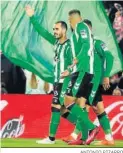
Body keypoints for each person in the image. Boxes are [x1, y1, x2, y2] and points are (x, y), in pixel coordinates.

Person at [62, 19, 115, 146]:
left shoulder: (97, 43)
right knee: (97, 109)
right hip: (88, 79)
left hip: (93, 80)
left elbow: (110, 57)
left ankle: (80, 136)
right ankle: (107, 138)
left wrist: (106, 75)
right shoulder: (81, 48)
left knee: (81, 105)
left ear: (89, 30)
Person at [25, 5, 73, 144]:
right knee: (63, 110)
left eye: (57, 29)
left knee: (56, 107)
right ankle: (87, 128)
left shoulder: (70, 45)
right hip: (57, 80)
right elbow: (42, 32)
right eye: (54, 29)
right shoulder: (56, 43)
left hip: (66, 80)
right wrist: (32, 17)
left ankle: (51, 138)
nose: (54, 31)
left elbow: (77, 61)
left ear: (64, 30)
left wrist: (69, 71)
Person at [61, 10, 99, 145]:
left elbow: (86, 46)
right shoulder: (77, 31)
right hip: (80, 70)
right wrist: (70, 69)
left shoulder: (80, 26)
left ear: (71, 19)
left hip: (83, 71)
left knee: (68, 102)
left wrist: (75, 63)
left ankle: (92, 128)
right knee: (77, 104)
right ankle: (83, 138)